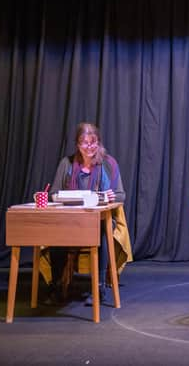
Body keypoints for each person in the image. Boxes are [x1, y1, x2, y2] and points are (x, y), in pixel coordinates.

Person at [47, 122, 126, 305]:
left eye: (93, 142)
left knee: (100, 232)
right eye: (84, 142)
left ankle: (98, 287)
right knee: (54, 234)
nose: (89, 147)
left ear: (98, 143)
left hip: (100, 220)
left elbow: (121, 195)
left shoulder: (108, 164)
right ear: (77, 144)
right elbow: (53, 193)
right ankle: (57, 285)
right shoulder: (66, 164)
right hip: (71, 220)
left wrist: (111, 196)